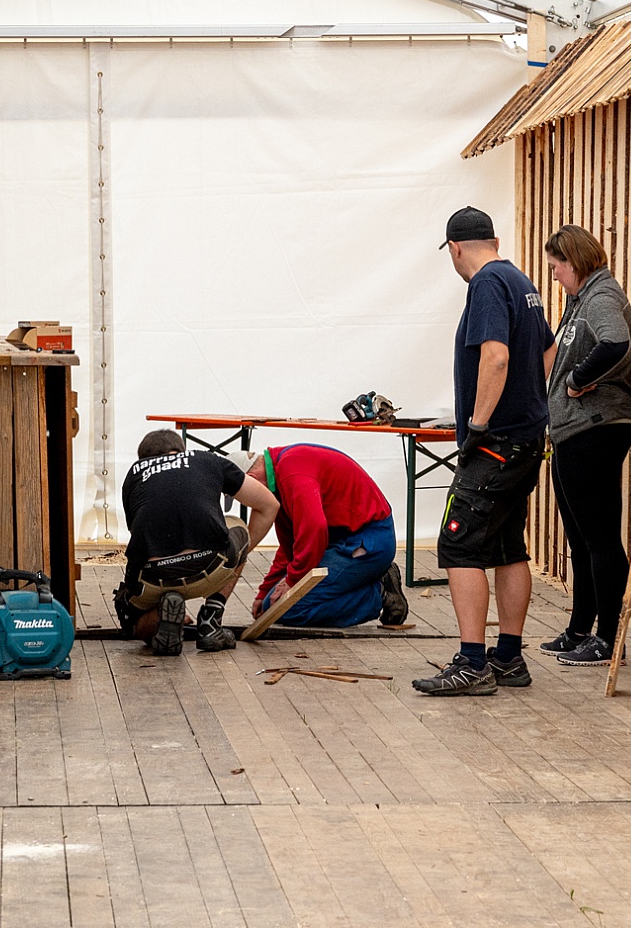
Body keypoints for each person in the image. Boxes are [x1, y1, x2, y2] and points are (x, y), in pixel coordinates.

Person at [412, 206, 552, 696]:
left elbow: (495, 357)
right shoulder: (520, 280)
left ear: (454, 249)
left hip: (496, 444)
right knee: (509, 546)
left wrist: (478, 423)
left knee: (459, 545)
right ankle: (509, 658)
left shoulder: (487, 284)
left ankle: (473, 662)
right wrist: (528, 401)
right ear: (494, 241)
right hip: (526, 439)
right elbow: (548, 351)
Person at [537, 225, 631, 666]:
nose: (554, 275)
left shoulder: (601, 296)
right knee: (580, 537)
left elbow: (616, 342)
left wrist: (579, 379)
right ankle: (581, 628)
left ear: (574, 261)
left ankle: (610, 638)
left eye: (556, 266)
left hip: (595, 428)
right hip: (572, 429)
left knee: (600, 538)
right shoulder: (581, 299)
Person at [117, 429, 278, 654]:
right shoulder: (207, 459)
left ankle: (163, 614)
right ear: (180, 449)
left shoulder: (135, 473)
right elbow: (269, 505)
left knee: (134, 623)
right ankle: (211, 620)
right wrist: (238, 558)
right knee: (238, 528)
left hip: (153, 578)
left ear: (144, 459)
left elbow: (138, 531)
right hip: (209, 566)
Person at [247, 444, 410, 627]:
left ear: (252, 479)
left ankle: (380, 593)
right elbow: (292, 544)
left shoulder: (292, 473)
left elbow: (314, 528)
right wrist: (265, 591)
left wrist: (293, 580)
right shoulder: (280, 475)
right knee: (271, 603)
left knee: (288, 610)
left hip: (367, 544)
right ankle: (364, 579)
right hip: (346, 541)